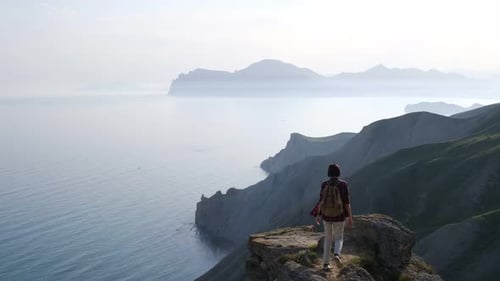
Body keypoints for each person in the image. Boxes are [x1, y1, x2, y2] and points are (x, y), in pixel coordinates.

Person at [310, 163, 353, 271]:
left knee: (328, 239)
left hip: (326, 216)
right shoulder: (343, 185)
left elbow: (321, 201)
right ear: (339, 172)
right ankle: (337, 254)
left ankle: (325, 264)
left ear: (329, 173)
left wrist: (318, 215)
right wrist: (350, 217)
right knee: (339, 237)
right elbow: (346, 203)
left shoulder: (324, 184)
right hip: (339, 216)